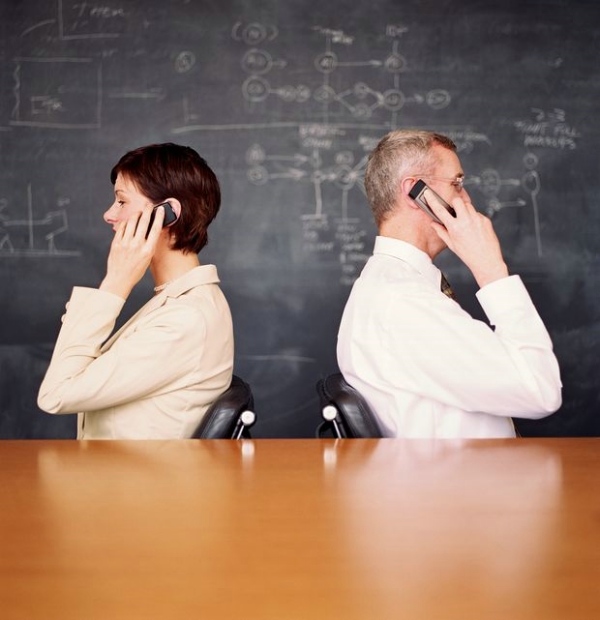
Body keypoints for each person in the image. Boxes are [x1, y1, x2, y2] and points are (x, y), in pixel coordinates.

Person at [337, 129, 562, 438]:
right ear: (415, 191)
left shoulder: (392, 287)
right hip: (467, 470)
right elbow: (541, 391)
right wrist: (491, 269)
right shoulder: (405, 305)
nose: (466, 199)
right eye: (456, 184)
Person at [38, 143, 234, 439]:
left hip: (127, 470)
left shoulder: (184, 320)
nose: (108, 214)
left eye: (121, 201)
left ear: (167, 214)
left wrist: (116, 282)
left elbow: (56, 394)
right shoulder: (178, 302)